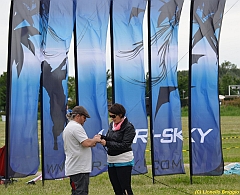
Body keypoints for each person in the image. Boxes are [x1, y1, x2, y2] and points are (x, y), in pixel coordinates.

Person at [63, 106, 101, 195]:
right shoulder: (76, 127)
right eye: (84, 117)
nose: (85, 120)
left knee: (76, 192)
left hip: (74, 167)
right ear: (78, 116)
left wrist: (93, 141)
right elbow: (87, 143)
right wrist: (96, 139)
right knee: (81, 192)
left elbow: (86, 144)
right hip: (79, 168)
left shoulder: (69, 126)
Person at [100, 103, 136, 195]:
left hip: (124, 160)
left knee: (125, 188)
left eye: (113, 116)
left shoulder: (129, 127)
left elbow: (125, 145)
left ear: (120, 115)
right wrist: (101, 137)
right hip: (111, 160)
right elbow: (111, 138)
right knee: (117, 189)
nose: (111, 118)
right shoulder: (112, 125)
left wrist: (106, 143)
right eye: (110, 116)